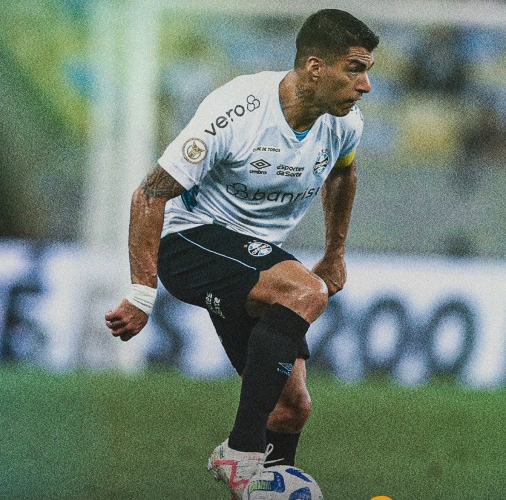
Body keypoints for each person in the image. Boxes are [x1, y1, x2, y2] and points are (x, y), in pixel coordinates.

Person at [104, 9, 378, 499]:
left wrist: (335, 251)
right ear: (316, 67)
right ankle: (241, 451)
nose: (365, 85)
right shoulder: (237, 110)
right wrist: (141, 293)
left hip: (255, 260)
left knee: (291, 408)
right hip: (189, 241)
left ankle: (255, 486)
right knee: (304, 291)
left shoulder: (344, 126)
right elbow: (150, 193)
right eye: (355, 69)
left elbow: (343, 173)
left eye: (367, 72)